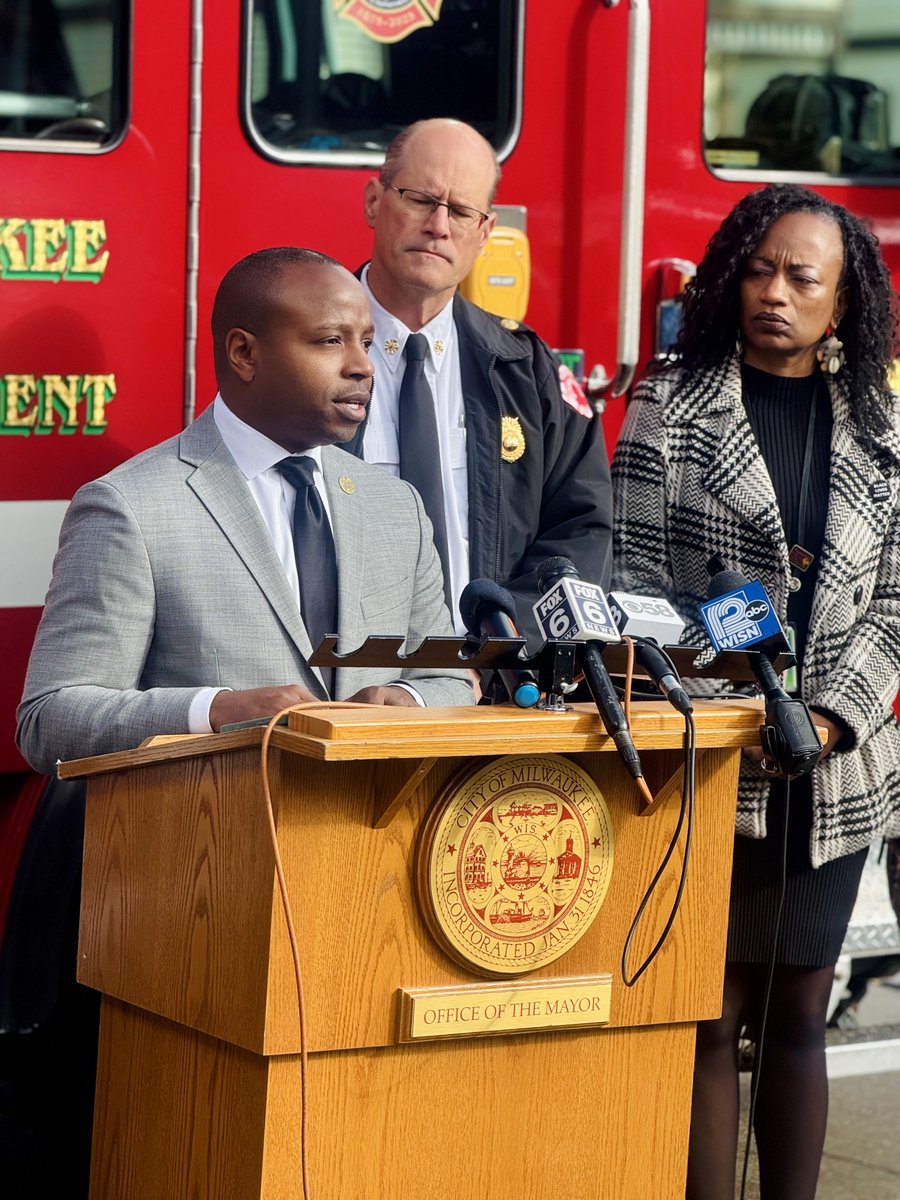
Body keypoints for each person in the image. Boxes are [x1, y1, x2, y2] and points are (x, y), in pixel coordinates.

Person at [611, 185, 900, 1200]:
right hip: (715, 758)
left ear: (845, 301)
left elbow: (897, 604)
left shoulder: (880, 419)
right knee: (708, 1016)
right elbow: (635, 581)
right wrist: (742, 692)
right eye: (761, 270)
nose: (775, 293)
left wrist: (829, 714)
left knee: (796, 1016)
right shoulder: (671, 401)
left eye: (802, 278)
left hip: (837, 772)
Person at [17, 248, 472, 775]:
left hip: (368, 844)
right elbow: (49, 719)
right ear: (244, 353)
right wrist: (216, 710)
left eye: (366, 342)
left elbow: (451, 678)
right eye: (331, 340)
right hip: (209, 845)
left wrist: (407, 701)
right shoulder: (131, 508)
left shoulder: (397, 507)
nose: (363, 365)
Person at [344, 117, 612, 644]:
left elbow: (581, 529)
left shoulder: (526, 371)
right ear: (374, 202)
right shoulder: (303, 353)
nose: (439, 226)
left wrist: (508, 640)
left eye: (462, 211)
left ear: (484, 232)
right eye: (420, 198)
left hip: (486, 691)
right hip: (340, 685)